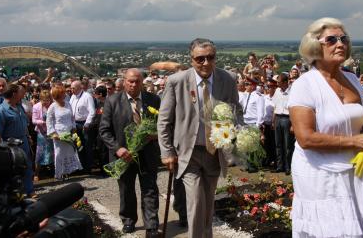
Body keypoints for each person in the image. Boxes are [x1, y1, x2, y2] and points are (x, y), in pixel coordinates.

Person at [288, 17, 363, 237]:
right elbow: (305, 138)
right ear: (315, 45)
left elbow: (362, 124)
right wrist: (354, 141)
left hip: (354, 170)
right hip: (319, 173)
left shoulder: (353, 80)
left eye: (344, 39)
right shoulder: (303, 85)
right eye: (331, 40)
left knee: (359, 226)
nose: (340, 44)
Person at [158, 38, 243, 238]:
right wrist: (167, 151)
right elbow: (164, 120)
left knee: (207, 203)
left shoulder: (228, 79)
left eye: (210, 58)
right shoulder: (176, 81)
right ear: (191, 59)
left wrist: (238, 133)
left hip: (215, 152)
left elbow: (236, 111)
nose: (206, 63)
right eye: (200, 59)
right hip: (189, 154)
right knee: (196, 202)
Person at [99, 68, 161, 236]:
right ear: (124, 81)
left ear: (142, 82)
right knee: (126, 190)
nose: (134, 84)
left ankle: (151, 225)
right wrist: (117, 148)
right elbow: (104, 131)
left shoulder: (154, 100)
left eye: (137, 81)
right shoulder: (112, 101)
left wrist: (155, 135)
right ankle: (128, 220)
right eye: (130, 81)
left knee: (150, 189)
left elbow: (163, 126)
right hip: (124, 156)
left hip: (148, 154)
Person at [0, 84, 35, 196]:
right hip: (10, 146)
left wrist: (28, 136)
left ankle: (29, 191)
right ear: (13, 94)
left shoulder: (19, 107)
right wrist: (0, 152)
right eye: (19, 92)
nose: (21, 94)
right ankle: (16, 194)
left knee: (27, 166)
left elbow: (24, 124)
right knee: (14, 171)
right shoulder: (0, 111)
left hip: (24, 142)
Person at [47, 86, 83, 181]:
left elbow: (72, 117)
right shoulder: (52, 107)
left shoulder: (68, 104)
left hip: (69, 133)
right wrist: (53, 134)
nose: (65, 94)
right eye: (63, 93)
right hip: (58, 135)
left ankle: (67, 172)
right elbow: (49, 121)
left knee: (69, 152)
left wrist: (74, 128)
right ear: (58, 95)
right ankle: (58, 174)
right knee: (59, 154)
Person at [70, 80, 95, 173]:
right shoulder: (72, 97)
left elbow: (92, 112)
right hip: (75, 124)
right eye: (71, 88)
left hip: (84, 124)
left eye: (74, 88)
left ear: (80, 87)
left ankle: (88, 167)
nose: (72, 90)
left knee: (87, 145)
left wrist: (87, 123)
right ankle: (81, 166)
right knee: (78, 146)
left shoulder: (87, 96)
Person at [273, 73, 295, 174]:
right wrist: (274, 121)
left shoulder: (292, 92)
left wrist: (293, 124)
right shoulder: (277, 91)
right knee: (278, 144)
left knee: (287, 145)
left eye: (279, 82)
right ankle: (279, 165)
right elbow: (275, 106)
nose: (277, 84)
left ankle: (288, 166)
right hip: (278, 117)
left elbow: (293, 109)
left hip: (287, 119)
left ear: (285, 82)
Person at [32, 90, 54, 181]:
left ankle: (55, 171)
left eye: (48, 100)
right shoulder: (36, 107)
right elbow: (34, 120)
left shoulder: (53, 106)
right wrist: (43, 122)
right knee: (40, 153)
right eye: (44, 100)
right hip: (41, 133)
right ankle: (36, 173)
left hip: (52, 132)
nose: (46, 102)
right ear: (40, 99)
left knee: (53, 152)